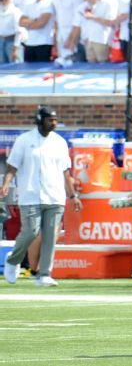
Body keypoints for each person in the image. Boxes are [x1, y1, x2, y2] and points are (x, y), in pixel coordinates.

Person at [1, 106, 79, 286]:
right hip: (30, 195)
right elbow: (13, 166)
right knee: (30, 232)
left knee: (51, 235)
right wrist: (6, 184)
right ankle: (13, 260)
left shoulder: (60, 142)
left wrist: (73, 195)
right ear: (39, 119)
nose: (53, 123)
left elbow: (66, 172)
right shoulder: (24, 140)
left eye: (55, 120)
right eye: (49, 119)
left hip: (55, 196)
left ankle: (44, 274)